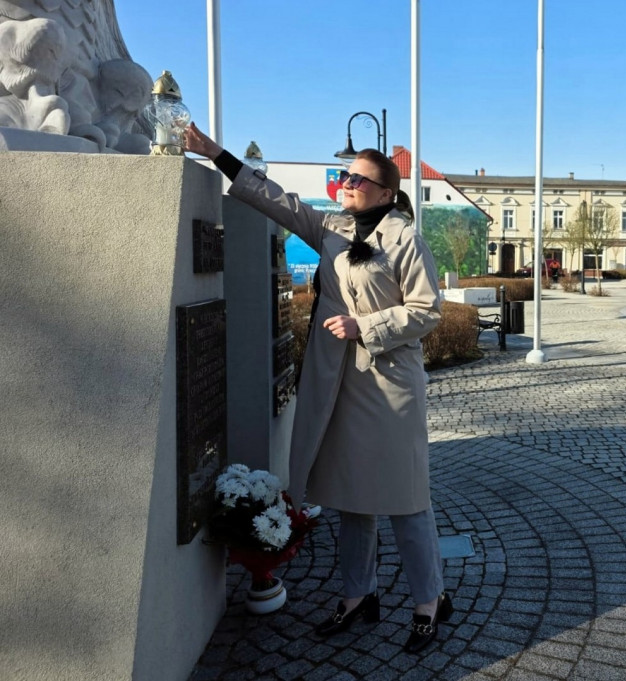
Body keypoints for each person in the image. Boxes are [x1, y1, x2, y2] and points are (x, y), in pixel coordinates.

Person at [182, 123, 452, 653]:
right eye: (347, 176)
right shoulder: (331, 227)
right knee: (354, 497)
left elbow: (428, 310)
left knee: (405, 498)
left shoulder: (403, 238)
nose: (347, 182)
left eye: (358, 178)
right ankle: (358, 595)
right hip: (340, 384)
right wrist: (217, 154)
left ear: (386, 193)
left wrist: (365, 326)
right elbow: (275, 200)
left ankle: (429, 600)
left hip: (390, 384)